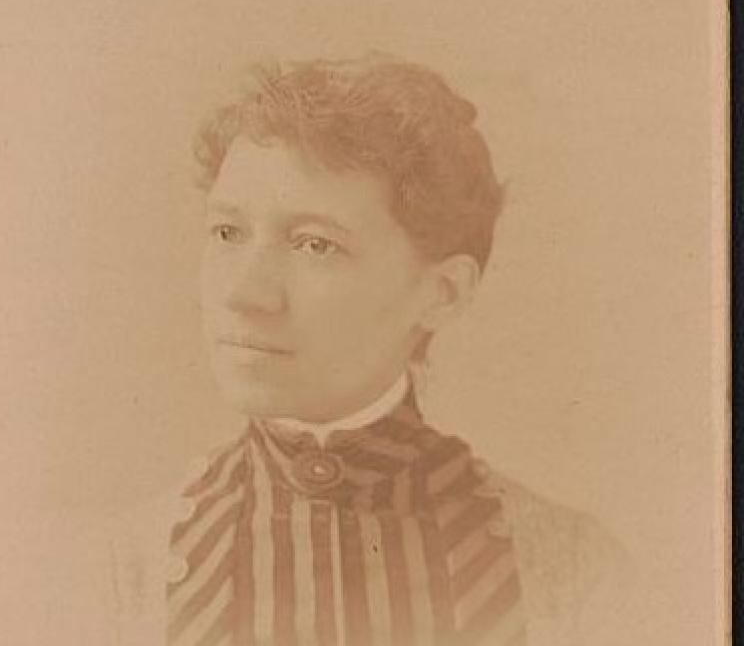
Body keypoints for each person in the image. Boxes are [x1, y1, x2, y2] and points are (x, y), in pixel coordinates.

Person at [106, 56, 629, 646]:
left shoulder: (572, 575)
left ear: (443, 292)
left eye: (315, 245)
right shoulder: (125, 570)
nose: (244, 294)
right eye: (228, 233)